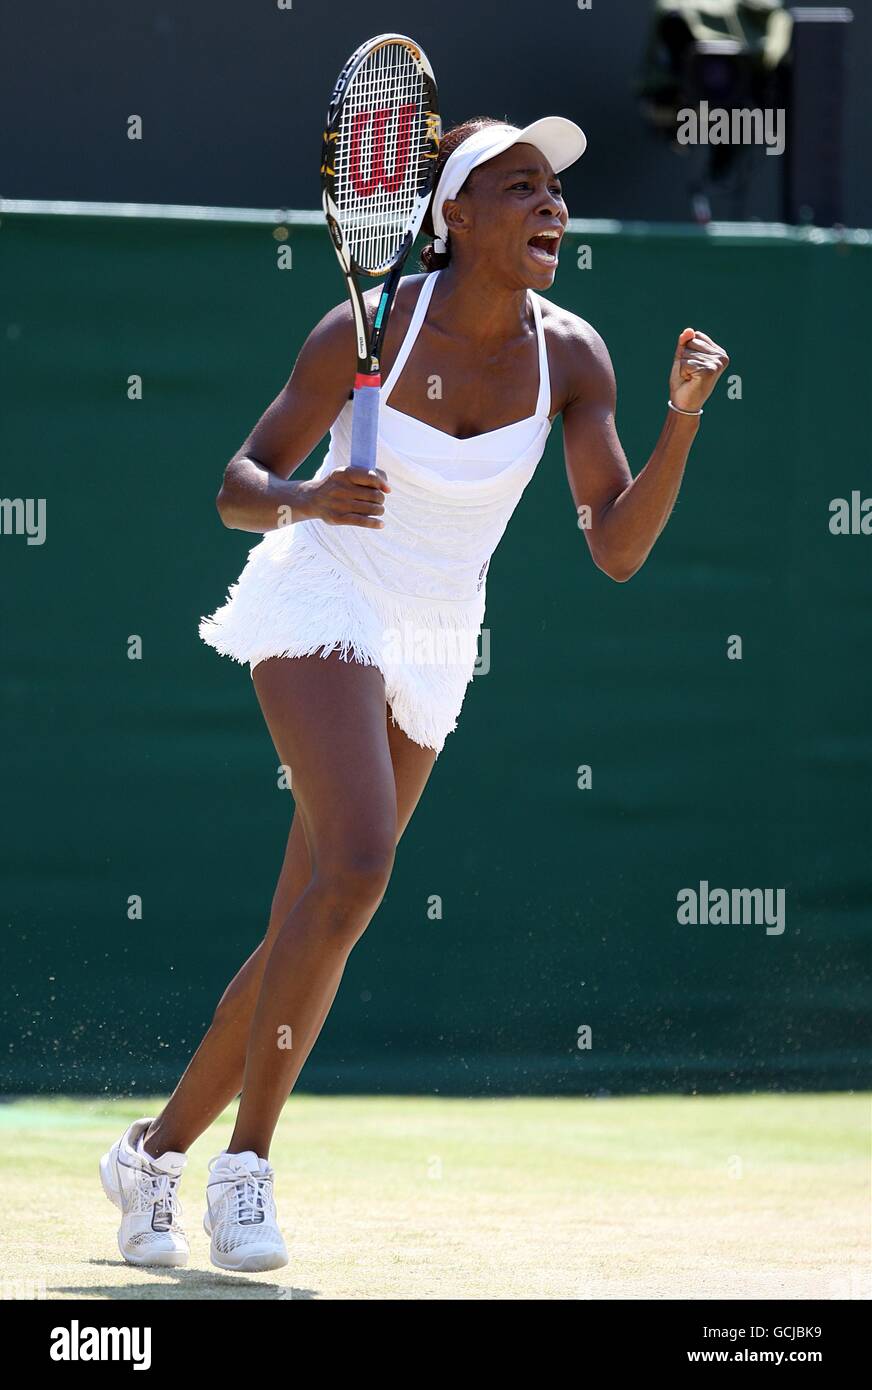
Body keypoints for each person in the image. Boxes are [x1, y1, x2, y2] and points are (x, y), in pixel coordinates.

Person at [100, 115, 729, 1272]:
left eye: (557, 191)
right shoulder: (367, 324)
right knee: (359, 864)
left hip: (438, 634)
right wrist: (311, 498)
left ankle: (151, 1153)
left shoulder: (574, 356)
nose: (553, 207)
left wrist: (680, 416)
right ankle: (246, 1165)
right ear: (453, 214)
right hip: (325, 590)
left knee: (317, 917)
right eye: (521, 186)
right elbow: (239, 484)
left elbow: (616, 548)